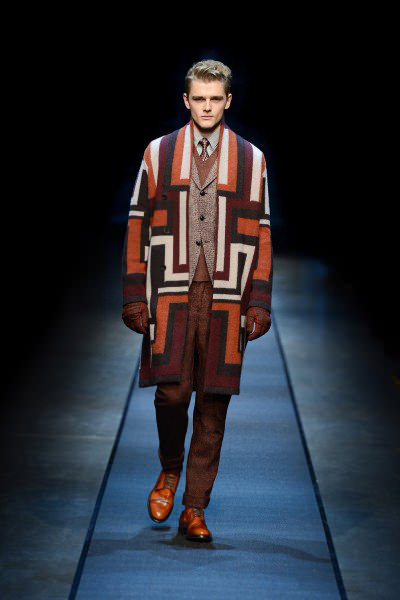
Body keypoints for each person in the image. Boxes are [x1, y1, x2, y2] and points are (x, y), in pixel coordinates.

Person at [122, 59, 273, 542]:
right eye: (199, 99)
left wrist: (259, 300)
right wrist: (134, 294)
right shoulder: (158, 153)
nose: (207, 107)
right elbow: (137, 222)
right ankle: (170, 467)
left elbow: (262, 231)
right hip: (170, 288)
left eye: (215, 99)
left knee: (214, 401)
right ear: (186, 100)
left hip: (227, 293)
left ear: (228, 101)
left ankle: (194, 506)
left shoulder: (252, 159)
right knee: (171, 392)